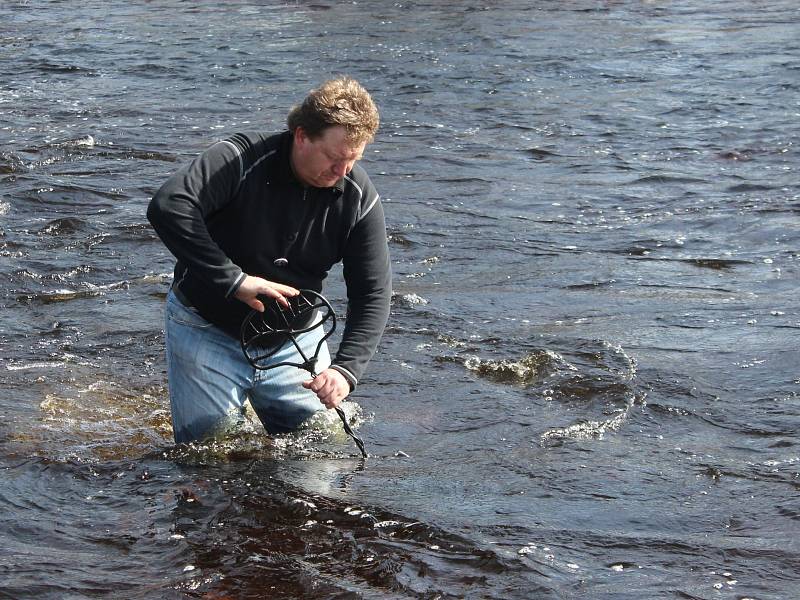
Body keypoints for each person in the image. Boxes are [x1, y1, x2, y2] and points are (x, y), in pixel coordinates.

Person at [147, 77, 391, 444]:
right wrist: (234, 281)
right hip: (207, 328)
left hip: (296, 342)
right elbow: (169, 206)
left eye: (353, 160)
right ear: (301, 135)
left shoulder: (357, 197)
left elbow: (372, 292)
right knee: (209, 458)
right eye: (334, 158)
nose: (342, 172)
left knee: (324, 455)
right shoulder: (241, 158)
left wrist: (345, 370)